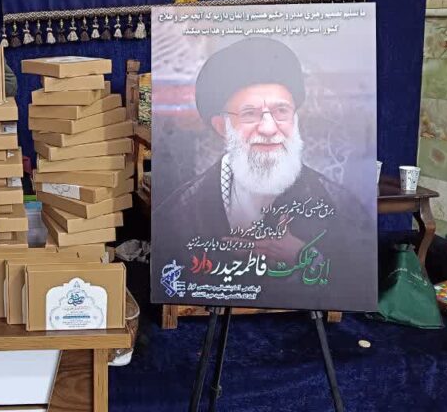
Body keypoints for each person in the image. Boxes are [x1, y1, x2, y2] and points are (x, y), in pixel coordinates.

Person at [153, 38, 365, 269]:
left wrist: (304, 256)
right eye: (250, 114)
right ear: (222, 127)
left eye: (281, 111)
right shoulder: (181, 213)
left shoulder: (340, 205)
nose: (269, 128)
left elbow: (355, 274)